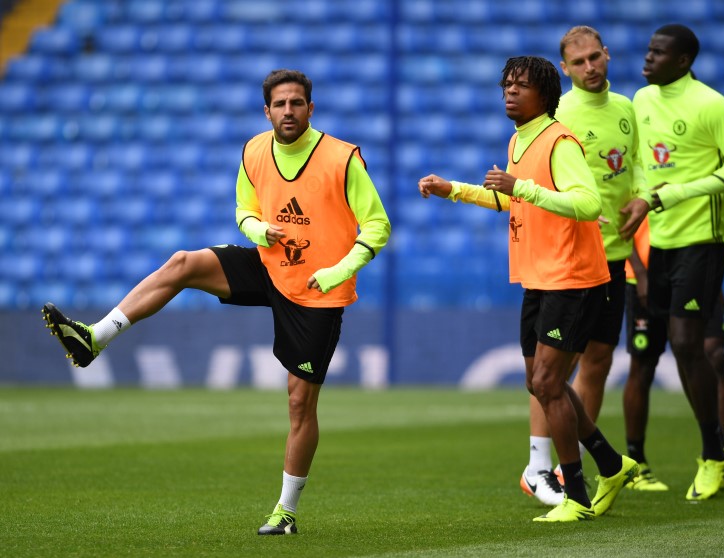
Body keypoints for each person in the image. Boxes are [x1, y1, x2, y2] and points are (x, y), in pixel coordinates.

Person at [42, 69, 391, 535]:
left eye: (297, 103)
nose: (289, 111)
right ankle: (94, 338)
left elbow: (378, 226)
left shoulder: (342, 158)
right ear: (266, 110)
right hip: (269, 264)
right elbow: (244, 209)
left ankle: (285, 512)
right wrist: (258, 230)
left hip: (318, 289)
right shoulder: (252, 151)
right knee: (184, 262)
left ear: (311, 108)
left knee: (299, 403)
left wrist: (337, 271)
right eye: (280, 104)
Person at [418, 55, 638, 522]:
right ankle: (612, 464)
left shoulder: (560, 142)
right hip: (537, 275)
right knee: (539, 383)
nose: (510, 93)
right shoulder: (520, 139)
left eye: (520, 86)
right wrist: (452, 189)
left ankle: (576, 495)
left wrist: (523, 186)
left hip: (570, 275)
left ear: (545, 94)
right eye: (506, 86)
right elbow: (509, 198)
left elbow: (587, 202)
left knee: (547, 383)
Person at [619, 24, 724, 501]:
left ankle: (712, 457)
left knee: (686, 342)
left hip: (705, 236)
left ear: (683, 61)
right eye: (648, 50)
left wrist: (669, 194)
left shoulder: (710, 104)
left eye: (658, 53)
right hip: (659, 242)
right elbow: (639, 162)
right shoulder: (639, 100)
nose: (647, 58)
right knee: (662, 349)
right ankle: (710, 450)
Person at [519, 26, 649, 507]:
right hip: (571, 260)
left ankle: (569, 466)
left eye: (596, 57)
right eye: (579, 62)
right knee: (551, 373)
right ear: (566, 69)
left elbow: (634, 164)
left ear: (607, 55)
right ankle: (540, 465)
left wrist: (639, 196)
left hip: (614, 255)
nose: (591, 67)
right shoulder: (559, 117)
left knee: (596, 362)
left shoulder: (627, 108)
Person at [623, 217, 724, 491]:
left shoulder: (694, 175)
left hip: (696, 270)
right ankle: (637, 462)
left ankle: (717, 456)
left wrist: (713, 278)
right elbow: (621, 216)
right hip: (646, 276)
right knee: (643, 366)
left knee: (714, 355)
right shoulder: (636, 171)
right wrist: (640, 271)